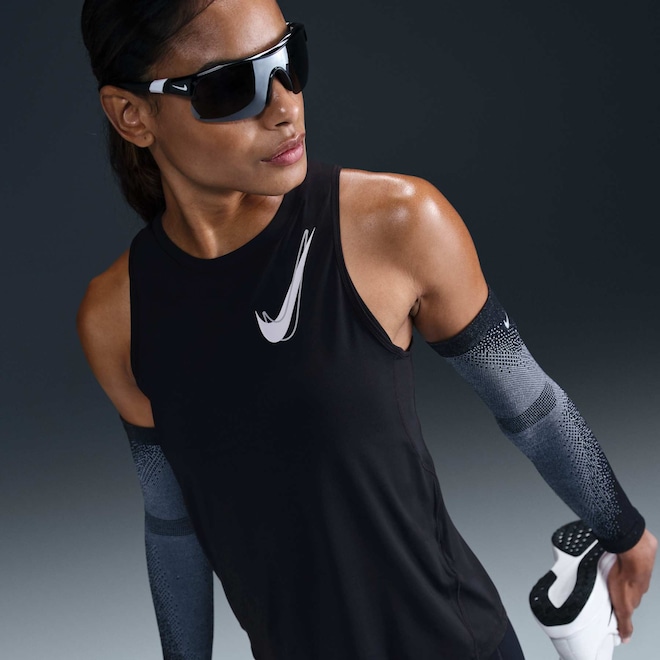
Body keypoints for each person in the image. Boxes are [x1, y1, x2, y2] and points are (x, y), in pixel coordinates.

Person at [76, 1, 656, 658]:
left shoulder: (397, 223)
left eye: (287, 60)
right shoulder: (115, 316)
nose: (285, 106)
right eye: (230, 86)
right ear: (132, 115)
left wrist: (624, 530)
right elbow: (171, 518)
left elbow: (529, 405)